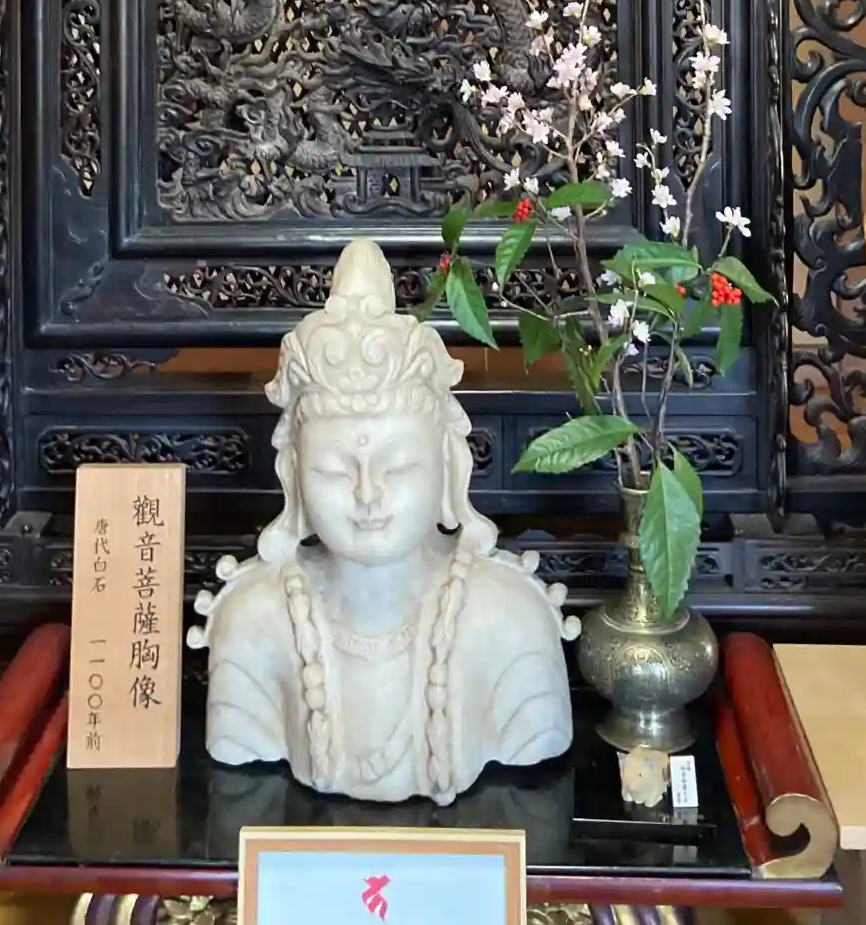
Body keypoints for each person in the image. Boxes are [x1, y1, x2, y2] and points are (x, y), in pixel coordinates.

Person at [190, 238, 577, 802]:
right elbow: (234, 746)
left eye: (399, 467)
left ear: (449, 467)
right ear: (293, 475)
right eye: (332, 470)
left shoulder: (510, 622)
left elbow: (538, 744)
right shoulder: (255, 623)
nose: (367, 495)